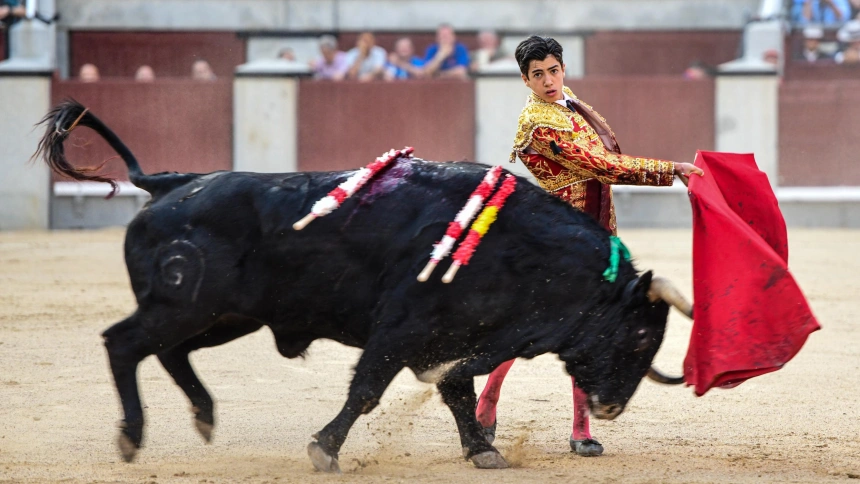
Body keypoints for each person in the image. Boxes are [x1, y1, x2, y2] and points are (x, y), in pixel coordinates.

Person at [475, 35, 703, 458]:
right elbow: (602, 165)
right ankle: (487, 402)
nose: (548, 80)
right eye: (537, 74)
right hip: (556, 243)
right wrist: (670, 170)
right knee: (524, 327)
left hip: (597, 234)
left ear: (563, 68)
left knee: (591, 329)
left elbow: (605, 159)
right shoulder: (539, 124)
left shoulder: (571, 104)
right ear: (525, 80)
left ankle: (580, 426)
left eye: (553, 70)